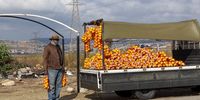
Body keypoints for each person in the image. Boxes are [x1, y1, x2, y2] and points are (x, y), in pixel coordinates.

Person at [43, 34, 64, 100]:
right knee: (51, 86)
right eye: (55, 39)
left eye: (57, 40)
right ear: (52, 40)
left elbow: (61, 57)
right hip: (51, 69)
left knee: (58, 86)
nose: (56, 41)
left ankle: (57, 98)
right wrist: (46, 70)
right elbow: (45, 59)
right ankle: (51, 99)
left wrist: (63, 67)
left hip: (60, 69)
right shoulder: (48, 47)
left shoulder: (58, 46)